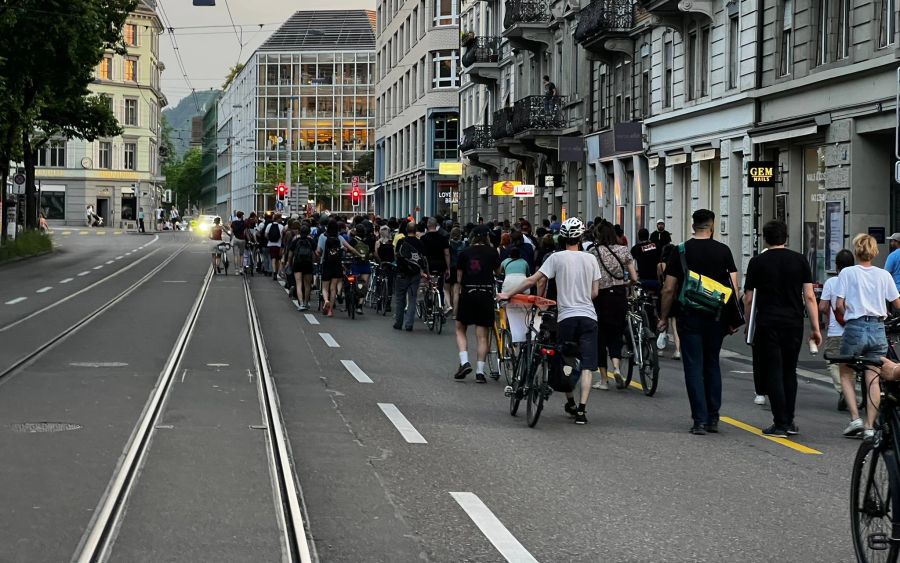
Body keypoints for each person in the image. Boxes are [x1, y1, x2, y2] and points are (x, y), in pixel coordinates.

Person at [499, 218, 602, 425]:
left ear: (562, 238)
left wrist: (507, 293)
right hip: (589, 317)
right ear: (581, 237)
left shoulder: (556, 258)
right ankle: (582, 410)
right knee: (588, 365)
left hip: (566, 317)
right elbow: (595, 292)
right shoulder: (591, 259)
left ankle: (570, 402)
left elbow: (532, 279)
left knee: (565, 361)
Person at [658, 209, 738, 435]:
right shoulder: (723, 251)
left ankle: (699, 420)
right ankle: (713, 418)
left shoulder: (681, 250)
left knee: (693, 366)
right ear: (711, 226)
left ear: (693, 225)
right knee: (712, 363)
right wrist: (733, 318)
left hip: (689, 315)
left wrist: (664, 317)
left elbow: (669, 288)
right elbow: (734, 287)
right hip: (716, 317)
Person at [743, 221, 822, 438]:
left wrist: (748, 324)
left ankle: (779, 422)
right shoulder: (800, 260)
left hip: (768, 322)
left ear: (765, 238)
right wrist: (815, 328)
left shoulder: (757, 262)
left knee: (773, 371)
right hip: (793, 323)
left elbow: (749, 299)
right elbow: (809, 296)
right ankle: (789, 420)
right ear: (785, 238)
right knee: (789, 371)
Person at [835, 233, 900, 440]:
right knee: (873, 377)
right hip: (877, 328)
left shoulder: (847, 273)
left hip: (855, 327)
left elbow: (838, 304)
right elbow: (897, 303)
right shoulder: (883, 275)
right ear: (874, 251)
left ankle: (854, 418)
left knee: (845, 372)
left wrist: (849, 313)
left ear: (856, 251)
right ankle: (870, 426)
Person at [588, 221, 638, 390]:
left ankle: (603, 380)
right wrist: (627, 284)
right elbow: (634, 277)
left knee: (600, 337)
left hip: (600, 297)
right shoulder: (623, 250)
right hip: (619, 296)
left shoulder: (593, 252)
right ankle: (616, 367)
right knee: (616, 333)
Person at [454, 226, 502, 383]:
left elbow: (459, 277)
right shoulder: (492, 252)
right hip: (486, 294)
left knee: (460, 328)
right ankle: (480, 372)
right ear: (487, 237)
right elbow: (498, 271)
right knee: (482, 336)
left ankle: (464, 361)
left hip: (468, 292)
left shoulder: (465, 252)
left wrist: (457, 297)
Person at [819, 249, 855, 413]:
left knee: (832, 362)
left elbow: (823, 306)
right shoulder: (857, 280)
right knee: (852, 365)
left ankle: (843, 391)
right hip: (855, 330)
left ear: (836, 266)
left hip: (835, 331)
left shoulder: (832, 282)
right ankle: (851, 394)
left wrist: (825, 317)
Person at [316, 220, 361, 316]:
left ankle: (326, 300)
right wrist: (359, 255)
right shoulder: (339, 237)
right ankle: (330, 311)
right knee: (333, 289)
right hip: (337, 265)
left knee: (325, 287)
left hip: (326, 264)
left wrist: (319, 255)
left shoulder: (322, 237)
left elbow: (318, 251)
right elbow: (350, 248)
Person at [393, 222, 428, 331]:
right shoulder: (420, 243)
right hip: (415, 275)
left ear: (406, 230)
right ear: (415, 230)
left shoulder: (401, 241)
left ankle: (398, 323)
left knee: (400, 298)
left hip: (401, 274)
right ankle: (409, 324)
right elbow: (423, 259)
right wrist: (425, 272)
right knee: (412, 299)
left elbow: (396, 255)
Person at [421, 217, 451, 313]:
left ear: (428, 225)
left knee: (428, 286)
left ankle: (429, 307)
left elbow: (421, 255)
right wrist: (448, 268)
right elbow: (447, 253)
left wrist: (421, 268)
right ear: (436, 225)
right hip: (441, 265)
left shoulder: (423, 238)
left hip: (428, 265)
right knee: (440, 287)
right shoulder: (443, 238)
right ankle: (441, 307)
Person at [287, 224, 315, 311]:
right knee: (307, 285)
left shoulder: (296, 240)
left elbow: (290, 255)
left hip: (298, 263)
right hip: (308, 264)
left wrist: (289, 263)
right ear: (308, 232)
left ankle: (301, 303)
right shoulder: (311, 240)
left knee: (298, 284)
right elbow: (314, 254)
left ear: (300, 231)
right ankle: (306, 303)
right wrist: (313, 262)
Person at [350, 224, 373, 314]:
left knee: (355, 282)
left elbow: (348, 251)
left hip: (355, 264)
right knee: (364, 285)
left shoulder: (353, 241)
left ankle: (354, 296)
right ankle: (359, 306)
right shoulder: (369, 241)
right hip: (365, 264)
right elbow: (371, 254)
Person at [631, 228, 660, 292]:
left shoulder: (635, 249)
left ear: (638, 237)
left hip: (643, 280)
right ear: (648, 236)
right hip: (656, 280)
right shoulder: (656, 246)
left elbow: (630, 263)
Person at [447, 227, 465, 315]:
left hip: (451, 267)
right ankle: (455, 313)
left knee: (449, 289)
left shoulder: (449, 244)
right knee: (456, 290)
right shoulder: (463, 244)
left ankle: (450, 306)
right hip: (460, 267)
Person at [264, 213, 285, 281]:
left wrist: (269, 239)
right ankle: (277, 271)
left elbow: (266, 234)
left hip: (271, 244)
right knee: (278, 259)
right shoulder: (281, 226)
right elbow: (282, 237)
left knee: (273, 258)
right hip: (278, 245)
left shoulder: (269, 225)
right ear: (279, 219)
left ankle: (274, 272)